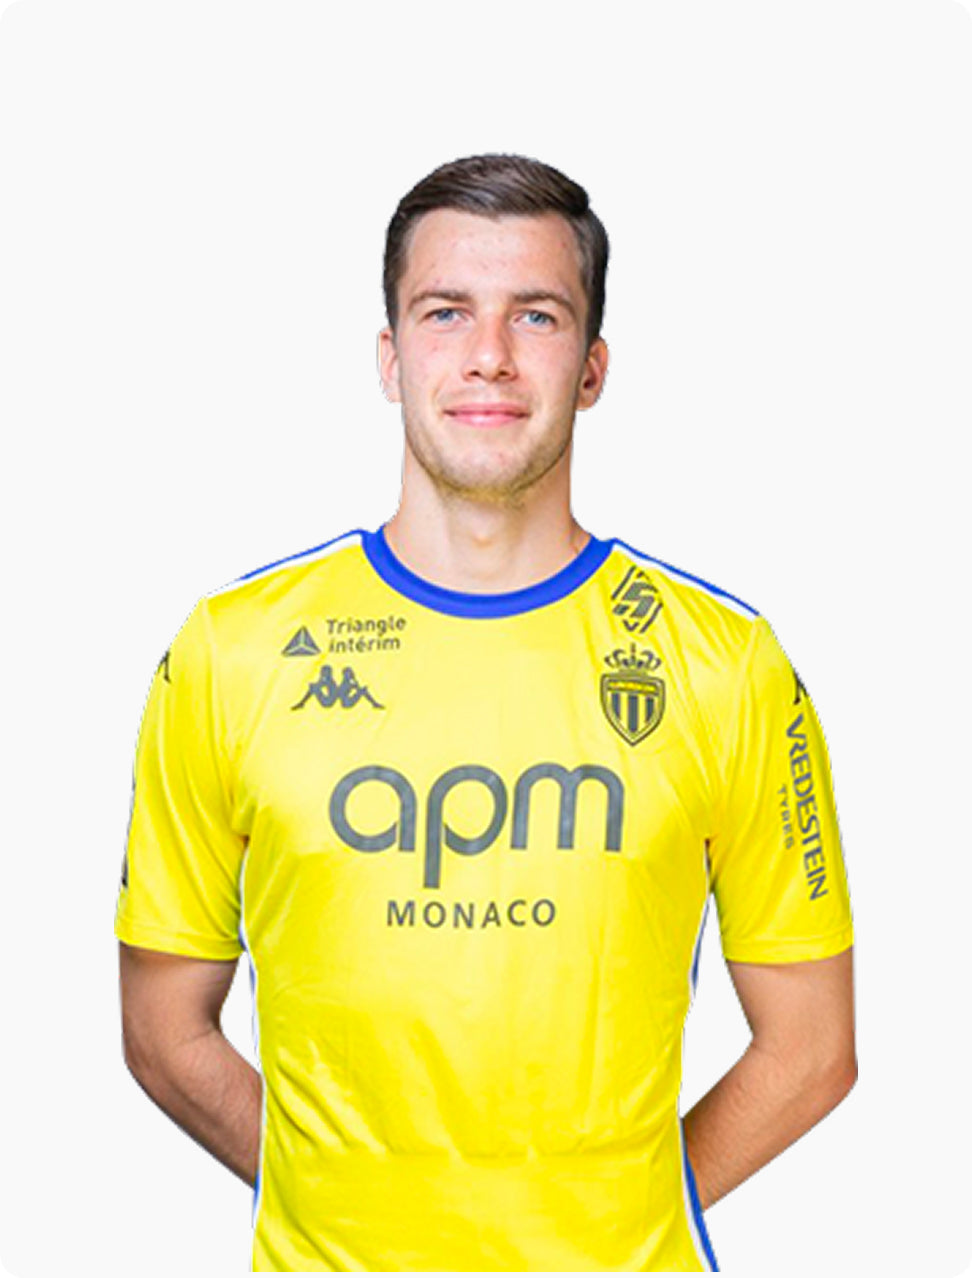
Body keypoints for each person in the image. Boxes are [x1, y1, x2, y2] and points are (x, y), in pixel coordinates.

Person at [116, 153, 856, 1272]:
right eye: (446, 311)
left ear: (593, 366)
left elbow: (813, 1048)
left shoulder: (726, 664)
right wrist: (348, 1211)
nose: (490, 356)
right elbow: (162, 1030)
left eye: (537, 315)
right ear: (389, 356)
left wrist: (610, 1226)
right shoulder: (232, 651)